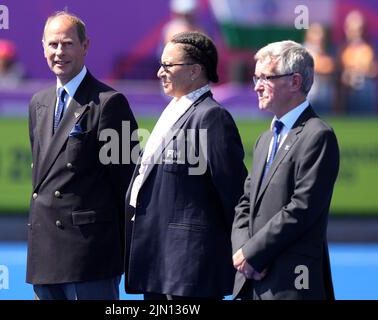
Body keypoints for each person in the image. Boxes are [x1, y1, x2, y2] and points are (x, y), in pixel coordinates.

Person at [125, 31, 247, 300]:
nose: (160, 72)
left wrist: (245, 250)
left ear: (194, 71)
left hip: (188, 269)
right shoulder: (175, 108)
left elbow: (234, 192)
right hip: (159, 262)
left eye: (168, 65)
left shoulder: (212, 117)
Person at [26, 11, 138, 300]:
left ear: (85, 46)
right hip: (45, 256)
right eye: (53, 45)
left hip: (89, 257)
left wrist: (124, 251)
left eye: (67, 44)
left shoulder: (110, 103)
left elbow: (128, 185)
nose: (59, 52)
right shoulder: (38, 103)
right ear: (43, 47)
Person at [231, 40, 340, 300]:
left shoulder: (318, 135)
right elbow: (245, 203)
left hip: (290, 286)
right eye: (255, 77)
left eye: (265, 77)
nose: (256, 86)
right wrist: (243, 254)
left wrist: (254, 254)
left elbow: (302, 208)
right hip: (251, 283)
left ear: (294, 82)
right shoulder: (264, 140)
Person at [338, 10, 377, 114]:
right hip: (347, 94)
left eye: (358, 29)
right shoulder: (340, 49)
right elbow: (336, 72)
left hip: (367, 92)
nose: (355, 33)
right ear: (346, 29)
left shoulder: (372, 48)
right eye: (351, 29)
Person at [303, 23, 336, 115]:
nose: (320, 36)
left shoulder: (327, 51)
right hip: (310, 94)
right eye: (315, 33)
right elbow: (323, 67)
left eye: (321, 33)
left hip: (325, 94)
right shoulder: (303, 51)